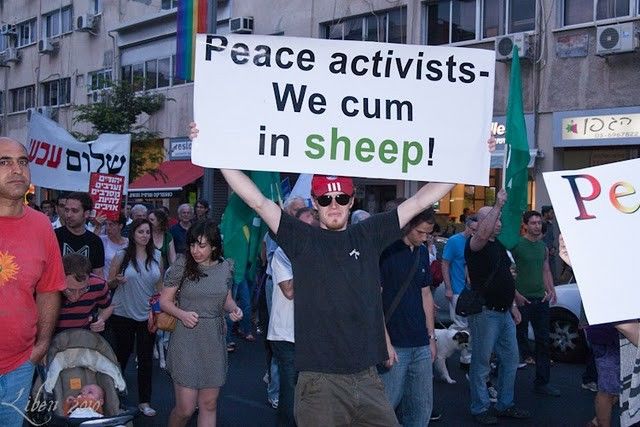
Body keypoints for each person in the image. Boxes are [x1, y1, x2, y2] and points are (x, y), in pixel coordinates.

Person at [190, 123, 494, 426]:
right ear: (315, 202)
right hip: (318, 382)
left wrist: (470, 157)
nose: (333, 205)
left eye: (340, 198)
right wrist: (213, 149)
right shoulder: (301, 238)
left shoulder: (368, 234)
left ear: (351, 201)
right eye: (325, 199)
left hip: (368, 377)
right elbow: (257, 200)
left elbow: (419, 201)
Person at [0, 137, 66, 426]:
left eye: (22, 162)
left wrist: (41, 346)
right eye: (4, 162)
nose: (17, 169)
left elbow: (49, 289)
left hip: (20, 365)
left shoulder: (42, 225)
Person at [160, 220, 243, 427]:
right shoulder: (182, 265)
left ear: (214, 246)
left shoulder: (225, 267)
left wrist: (234, 309)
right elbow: (164, 301)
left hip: (213, 340)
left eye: (202, 245)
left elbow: (227, 300)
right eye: (192, 244)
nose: (195, 250)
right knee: (185, 409)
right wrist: (182, 314)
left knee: (209, 404)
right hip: (186, 339)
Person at [464, 190, 530, 425]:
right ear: (481, 223)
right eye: (494, 218)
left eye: (500, 219)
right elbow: (482, 234)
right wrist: (498, 204)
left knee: (510, 360)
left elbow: (506, 277)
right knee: (481, 363)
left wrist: (513, 304)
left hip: (503, 312)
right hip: (485, 313)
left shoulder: (499, 246)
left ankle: (504, 404)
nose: (499, 223)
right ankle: (480, 408)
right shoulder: (475, 244)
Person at [379, 209, 437, 427]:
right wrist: (385, 342)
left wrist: (431, 337)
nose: (424, 238)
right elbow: (374, 300)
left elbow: (425, 293)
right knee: (384, 411)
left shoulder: (422, 252)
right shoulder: (386, 251)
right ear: (407, 226)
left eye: (428, 234)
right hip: (394, 344)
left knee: (421, 409)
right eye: (420, 232)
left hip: (421, 343)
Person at [268, 207, 318, 426]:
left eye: (312, 227)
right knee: (290, 392)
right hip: (286, 335)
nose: (307, 231)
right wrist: (307, 260)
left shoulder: (321, 252)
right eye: (303, 226)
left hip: (314, 334)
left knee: (312, 394)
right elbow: (289, 290)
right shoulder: (282, 253)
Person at [107, 218, 163, 417]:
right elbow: (109, 284)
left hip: (147, 314)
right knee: (121, 357)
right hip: (122, 313)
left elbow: (159, 288)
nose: (145, 235)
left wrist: (157, 313)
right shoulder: (121, 255)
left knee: (146, 359)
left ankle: (144, 402)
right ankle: (113, 397)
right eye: (141, 232)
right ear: (133, 234)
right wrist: (116, 280)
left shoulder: (157, 255)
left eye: (148, 232)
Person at [512, 210, 559, 396]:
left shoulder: (542, 247)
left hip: (540, 299)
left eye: (539, 223)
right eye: (533, 223)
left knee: (543, 342)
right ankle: (501, 381)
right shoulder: (516, 245)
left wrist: (551, 289)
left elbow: (545, 270)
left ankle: (542, 382)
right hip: (521, 300)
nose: (537, 226)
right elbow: (508, 272)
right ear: (525, 225)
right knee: (514, 342)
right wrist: (515, 295)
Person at [56, 253, 113, 334]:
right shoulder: (49, 286)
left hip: (84, 336)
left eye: (83, 289)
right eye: (70, 290)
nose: (76, 297)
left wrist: (100, 319)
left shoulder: (98, 285)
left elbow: (108, 306)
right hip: (54, 338)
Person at [55, 192, 105, 277]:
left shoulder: (95, 241)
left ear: (86, 214)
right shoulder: (54, 236)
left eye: (74, 211)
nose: (69, 215)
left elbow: (98, 275)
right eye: (66, 210)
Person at [443, 215, 478, 331]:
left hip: (473, 291)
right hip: (458, 289)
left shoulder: (478, 243)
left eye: (477, 230)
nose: (475, 233)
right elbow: (445, 264)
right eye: (473, 229)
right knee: (460, 324)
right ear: (466, 227)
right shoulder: (454, 241)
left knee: (471, 325)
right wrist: (448, 288)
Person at [100, 213, 128, 280]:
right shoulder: (102, 240)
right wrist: (97, 227)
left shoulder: (129, 243)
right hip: (106, 282)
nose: (107, 228)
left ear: (120, 226)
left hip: (125, 282)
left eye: (111, 224)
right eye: (106, 224)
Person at [541, 205, 557, 282]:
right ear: (545, 213)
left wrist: (553, 248)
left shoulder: (550, 225)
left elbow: (551, 239)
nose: (553, 215)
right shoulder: (539, 225)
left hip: (551, 255)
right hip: (543, 254)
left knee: (553, 276)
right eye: (551, 213)